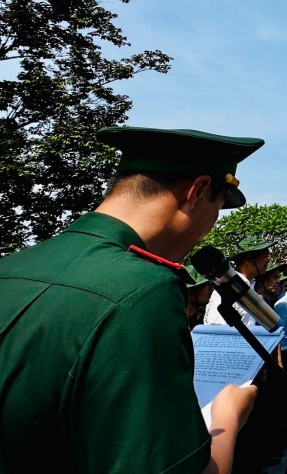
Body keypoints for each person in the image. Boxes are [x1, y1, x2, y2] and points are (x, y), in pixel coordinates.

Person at [0, 125, 264, 474]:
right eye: (217, 207)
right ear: (197, 191)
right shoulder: (145, 292)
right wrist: (228, 417)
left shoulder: (13, 265)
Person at [205, 235, 272, 326]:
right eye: (265, 256)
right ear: (248, 260)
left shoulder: (250, 284)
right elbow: (216, 328)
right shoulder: (227, 288)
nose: (269, 260)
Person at [183, 264, 214, 330]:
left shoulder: (193, 318)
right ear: (190, 290)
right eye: (206, 285)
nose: (211, 289)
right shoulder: (177, 320)